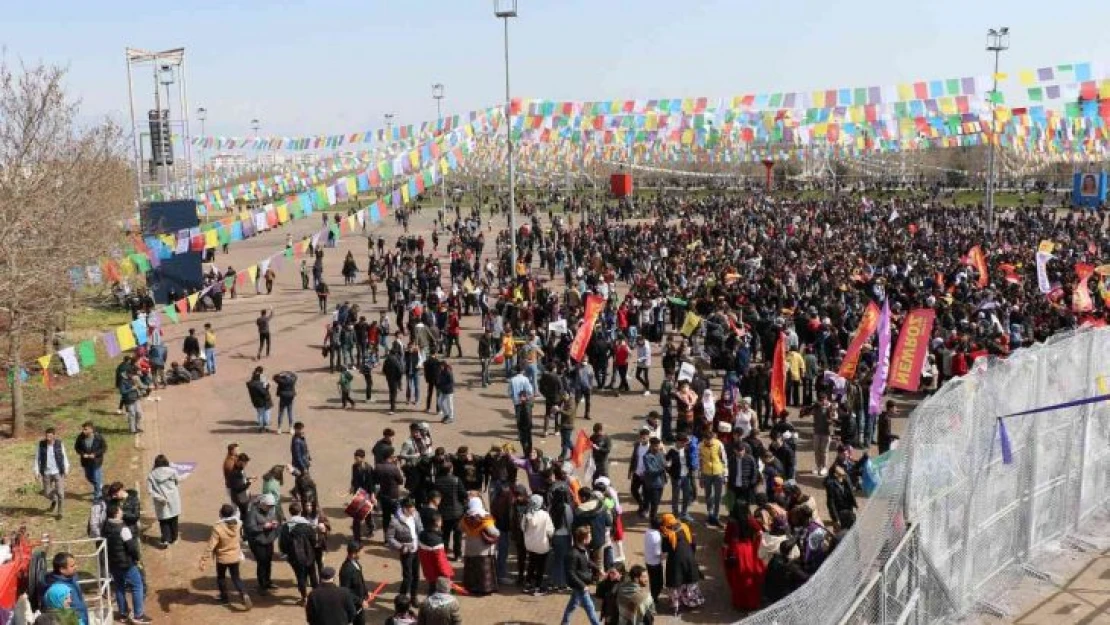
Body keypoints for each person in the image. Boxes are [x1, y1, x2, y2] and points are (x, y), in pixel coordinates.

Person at [103, 504, 152, 623]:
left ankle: (123, 614)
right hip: (126, 563)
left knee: (119, 587)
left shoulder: (106, 526)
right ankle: (138, 615)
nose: (122, 512)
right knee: (137, 586)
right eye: (120, 510)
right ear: (116, 513)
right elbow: (132, 548)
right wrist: (137, 559)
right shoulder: (123, 529)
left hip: (113, 563)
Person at [198, 503, 252, 610]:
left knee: (221, 577)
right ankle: (244, 593)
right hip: (235, 556)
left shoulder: (218, 528)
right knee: (236, 578)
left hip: (222, 558)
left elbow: (211, 545)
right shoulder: (238, 524)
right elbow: (241, 537)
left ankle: (224, 597)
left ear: (221, 514)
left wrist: (204, 559)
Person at [722, 503, 766, 611]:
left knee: (738, 578)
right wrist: (755, 544)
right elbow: (760, 532)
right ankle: (751, 603)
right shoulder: (750, 520)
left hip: (736, 551)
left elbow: (726, 540)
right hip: (750, 550)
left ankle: (740, 603)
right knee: (750, 577)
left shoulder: (732, 523)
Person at [659, 512, 704, 615]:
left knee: (676, 582)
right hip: (689, 556)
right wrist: (692, 555)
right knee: (689, 579)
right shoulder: (684, 527)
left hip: (675, 561)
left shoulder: (667, 534)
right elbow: (693, 542)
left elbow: (665, 551)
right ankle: (692, 602)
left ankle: (676, 607)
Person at [280, 501, 320, 605]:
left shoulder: (286, 527)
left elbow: (283, 543)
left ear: (290, 512)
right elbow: (314, 540)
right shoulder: (307, 525)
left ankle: (304, 598)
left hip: (295, 557)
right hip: (309, 554)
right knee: (312, 574)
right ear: (300, 511)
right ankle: (316, 595)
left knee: (300, 577)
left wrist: (285, 553)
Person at [561, 525, 602, 625]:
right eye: (590, 536)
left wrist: (598, 569)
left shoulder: (583, 549)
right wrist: (582, 586)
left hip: (581, 583)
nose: (591, 537)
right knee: (590, 607)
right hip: (580, 584)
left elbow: (587, 561)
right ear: (584, 539)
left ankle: (565, 622)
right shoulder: (573, 554)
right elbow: (570, 573)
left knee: (573, 604)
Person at [386, 497, 424, 605]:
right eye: (412, 508)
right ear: (405, 509)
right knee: (408, 577)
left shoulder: (416, 514)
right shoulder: (395, 521)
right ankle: (402, 599)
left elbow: (420, 528)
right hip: (406, 551)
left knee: (416, 575)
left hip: (417, 549)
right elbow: (390, 538)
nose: (414, 510)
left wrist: (424, 537)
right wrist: (401, 547)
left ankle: (413, 597)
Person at [460, 496, 500, 595]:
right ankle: (484, 589)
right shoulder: (486, 518)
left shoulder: (465, 518)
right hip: (483, 550)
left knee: (472, 570)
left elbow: (460, 528)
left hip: (470, 549)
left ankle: (471, 588)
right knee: (483, 571)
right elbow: (494, 532)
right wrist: (498, 533)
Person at [245, 493, 281, 596]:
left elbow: (275, 519)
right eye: (269, 506)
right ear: (262, 504)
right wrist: (263, 527)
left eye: (271, 506)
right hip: (257, 542)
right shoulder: (252, 513)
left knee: (268, 561)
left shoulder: (270, 511)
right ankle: (262, 585)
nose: (270, 508)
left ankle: (268, 581)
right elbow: (250, 528)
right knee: (262, 562)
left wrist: (275, 523)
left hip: (268, 540)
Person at [41, 552, 90, 625]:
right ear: (62, 570)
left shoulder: (70, 577)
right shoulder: (57, 590)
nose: (76, 567)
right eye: (72, 566)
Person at [521, 493, 554, 595]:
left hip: (530, 545)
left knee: (531, 564)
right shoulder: (545, 515)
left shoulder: (526, 514)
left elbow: (522, 528)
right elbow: (550, 531)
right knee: (541, 567)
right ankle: (538, 587)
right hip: (542, 545)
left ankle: (528, 585)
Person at [146, 454, 182, 547]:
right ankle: (174, 538)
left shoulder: (151, 475)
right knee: (174, 519)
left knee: (164, 520)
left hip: (160, 501)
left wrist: (159, 498)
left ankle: (166, 539)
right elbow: (177, 481)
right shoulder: (172, 471)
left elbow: (150, 490)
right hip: (173, 499)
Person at [34, 427, 69, 519]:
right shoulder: (41, 445)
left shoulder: (59, 444)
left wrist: (66, 469)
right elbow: (37, 459)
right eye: (47, 436)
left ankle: (60, 512)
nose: (48, 437)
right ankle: (54, 500)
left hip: (58, 471)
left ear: (54, 436)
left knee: (61, 493)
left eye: (50, 436)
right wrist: (36, 471)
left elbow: (64, 456)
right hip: (46, 472)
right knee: (46, 493)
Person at [417, 512, 455, 596]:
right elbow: (440, 561)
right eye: (440, 520)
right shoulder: (437, 541)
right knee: (441, 593)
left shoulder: (422, 535)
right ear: (437, 523)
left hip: (428, 571)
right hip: (439, 575)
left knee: (431, 588)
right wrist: (447, 574)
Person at [699, 426, 728, 527]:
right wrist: (701, 477)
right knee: (708, 496)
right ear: (704, 439)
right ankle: (710, 514)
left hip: (718, 473)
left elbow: (724, 459)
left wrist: (726, 474)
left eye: (711, 440)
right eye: (707, 440)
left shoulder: (719, 444)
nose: (710, 442)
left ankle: (716, 516)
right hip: (706, 474)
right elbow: (700, 462)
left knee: (718, 496)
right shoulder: (700, 446)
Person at [339, 541, 371, 625]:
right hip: (354, 605)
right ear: (354, 553)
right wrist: (360, 601)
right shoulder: (347, 570)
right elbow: (346, 591)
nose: (363, 553)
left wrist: (366, 592)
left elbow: (361, 581)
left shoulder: (355, 563)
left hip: (359, 601)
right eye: (361, 551)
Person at [74, 421, 106, 503]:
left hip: (96, 462)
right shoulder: (80, 437)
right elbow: (77, 448)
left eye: (85, 429)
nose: (83, 431)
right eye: (83, 429)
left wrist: (95, 454)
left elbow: (104, 448)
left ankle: (97, 496)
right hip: (86, 462)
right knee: (88, 477)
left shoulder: (99, 437)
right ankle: (99, 486)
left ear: (91, 429)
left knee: (96, 477)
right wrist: (82, 454)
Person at [509, 365, 536, 455]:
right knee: (527, 431)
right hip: (526, 404)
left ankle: (525, 451)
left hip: (517, 403)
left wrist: (515, 398)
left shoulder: (512, 380)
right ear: (523, 371)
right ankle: (528, 451)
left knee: (520, 423)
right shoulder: (525, 379)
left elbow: (509, 393)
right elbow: (530, 390)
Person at [825, 465, 859, 531]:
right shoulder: (831, 486)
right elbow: (831, 504)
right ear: (835, 474)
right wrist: (836, 519)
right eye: (839, 470)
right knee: (843, 530)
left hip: (849, 509)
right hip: (840, 512)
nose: (842, 470)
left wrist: (855, 504)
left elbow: (851, 493)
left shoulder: (846, 479)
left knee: (853, 527)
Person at [246, 366, 274, 433]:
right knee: (266, 413)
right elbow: (264, 393)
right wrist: (267, 387)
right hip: (263, 401)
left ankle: (260, 427)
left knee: (260, 414)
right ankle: (265, 426)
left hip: (256, 401)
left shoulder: (250, 384)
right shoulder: (259, 385)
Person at [273, 370, 298, 434]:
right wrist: (290, 372)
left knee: (281, 413)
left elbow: (274, 377)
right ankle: (291, 428)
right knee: (290, 413)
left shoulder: (281, 381)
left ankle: (279, 428)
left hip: (282, 397)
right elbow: (295, 376)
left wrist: (280, 374)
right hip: (290, 397)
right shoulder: (292, 380)